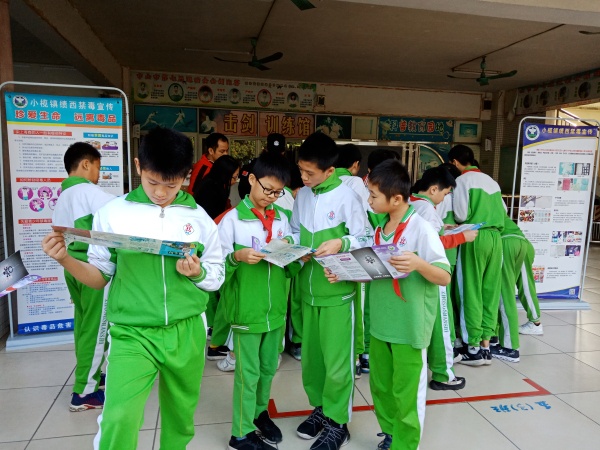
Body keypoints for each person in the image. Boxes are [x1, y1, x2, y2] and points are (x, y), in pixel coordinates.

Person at [41, 127, 225, 450]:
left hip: (187, 331)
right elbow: (99, 277)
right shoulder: (113, 213)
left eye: (172, 184)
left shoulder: (200, 219)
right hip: (132, 332)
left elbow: (217, 276)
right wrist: (65, 259)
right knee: (118, 418)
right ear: (139, 166)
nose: (161, 193)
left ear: (186, 175)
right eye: (152, 182)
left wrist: (198, 273)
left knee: (181, 420)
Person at [326, 158, 450, 450]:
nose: (369, 201)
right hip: (381, 324)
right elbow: (376, 271)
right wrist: (344, 273)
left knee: (407, 391)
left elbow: (444, 276)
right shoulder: (380, 229)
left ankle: (405, 444)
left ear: (396, 199)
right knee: (381, 386)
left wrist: (419, 264)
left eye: (373, 196)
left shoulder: (421, 228)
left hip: (409, 327)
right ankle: (391, 433)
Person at [290, 132, 370, 450]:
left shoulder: (347, 197)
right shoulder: (303, 196)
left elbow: (365, 238)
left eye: (309, 173)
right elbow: (294, 230)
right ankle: (321, 408)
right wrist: (293, 247)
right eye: (301, 170)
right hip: (307, 291)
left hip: (338, 293)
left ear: (330, 170)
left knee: (338, 364)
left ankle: (338, 423)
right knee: (312, 362)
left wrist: (341, 242)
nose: (303, 177)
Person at [218, 152, 300, 450]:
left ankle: (259, 413)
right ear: (251, 179)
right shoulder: (231, 220)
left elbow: (292, 263)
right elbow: (217, 266)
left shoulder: (282, 219)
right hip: (247, 310)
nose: (271, 197)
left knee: (268, 367)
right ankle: (240, 432)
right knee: (248, 372)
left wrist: (291, 249)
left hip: (275, 309)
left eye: (278, 192)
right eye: (267, 189)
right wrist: (237, 257)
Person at [52, 142, 115, 411]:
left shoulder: (63, 195)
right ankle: (85, 392)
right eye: (98, 168)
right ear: (86, 164)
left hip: (72, 267)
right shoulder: (89, 191)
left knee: (83, 324)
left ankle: (91, 375)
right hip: (92, 269)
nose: (99, 175)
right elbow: (121, 214)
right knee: (97, 328)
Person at [410, 166, 478, 391]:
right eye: (446, 193)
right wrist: (462, 237)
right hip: (433, 271)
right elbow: (434, 243)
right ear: (433, 189)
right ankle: (443, 373)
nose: (444, 198)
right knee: (442, 324)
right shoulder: (427, 209)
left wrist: (443, 227)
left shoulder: (411, 203)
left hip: (414, 274)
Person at [449, 145, 506, 366]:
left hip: (474, 236)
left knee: (470, 290)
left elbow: (461, 214)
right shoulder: (492, 182)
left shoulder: (463, 181)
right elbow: (504, 211)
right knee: (490, 291)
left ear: (455, 162)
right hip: (496, 238)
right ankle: (485, 345)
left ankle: (472, 347)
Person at [334, 143, 371, 377]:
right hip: (354, 250)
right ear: (355, 165)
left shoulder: (324, 184)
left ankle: (350, 355)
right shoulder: (355, 183)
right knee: (359, 306)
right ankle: (359, 356)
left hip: (332, 253)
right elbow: (370, 211)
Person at [493, 215, 543, 362]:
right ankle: (535, 321)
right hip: (523, 242)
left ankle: (509, 346)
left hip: (506, 243)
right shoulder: (498, 204)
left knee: (504, 292)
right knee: (525, 285)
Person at [238, 133, 287, 199]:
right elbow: (243, 189)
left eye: (278, 154)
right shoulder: (254, 166)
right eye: (272, 154)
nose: (275, 157)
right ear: (266, 150)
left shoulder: (289, 169)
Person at [193, 154, 240, 220]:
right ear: (226, 175)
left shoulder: (212, 180)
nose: (236, 180)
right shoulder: (211, 189)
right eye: (235, 177)